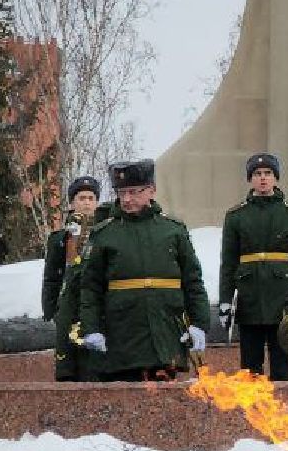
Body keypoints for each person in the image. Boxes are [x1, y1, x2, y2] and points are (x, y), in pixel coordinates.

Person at [77, 159, 210, 381]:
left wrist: (199, 324)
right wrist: (91, 328)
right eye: (121, 193)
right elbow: (90, 288)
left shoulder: (173, 231)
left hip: (166, 332)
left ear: (151, 191)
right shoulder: (104, 234)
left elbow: (193, 281)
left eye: (133, 192)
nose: (127, 199)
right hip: (121, 336)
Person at [218, 151, 288, 379]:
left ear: (276, 177)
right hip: (250, 297)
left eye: (268, 173)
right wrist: (226, 300)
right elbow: (228, 262)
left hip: (282, 296)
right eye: (257, 174)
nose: (263, 178)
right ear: (250, 179)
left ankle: (280, 410)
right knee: (250, 366)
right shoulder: (236, 215)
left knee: (281, 363)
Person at [43, 176, 103, 381]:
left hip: (97, 306)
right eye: (81, 198)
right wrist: (51, 309)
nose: (86, 202)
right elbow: (52, 277)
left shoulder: (105, 234)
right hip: (68, 305)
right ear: (72, 202)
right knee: (69, 366)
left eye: (91, 198)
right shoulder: (61, 238)